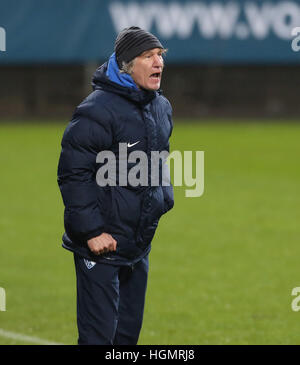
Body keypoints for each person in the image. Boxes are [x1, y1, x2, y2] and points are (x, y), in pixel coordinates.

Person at [57, 26, 174, 345]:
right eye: (147, 56)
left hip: (138, 246)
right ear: (126, 64)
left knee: (126, 340)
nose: (157, 63)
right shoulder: (96, 110)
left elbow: (158, 162)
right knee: (99, 340)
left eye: (160, 56)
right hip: (101, 246)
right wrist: (92, 231)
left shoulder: (160, 107)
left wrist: (163, 200)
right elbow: (73, 173)